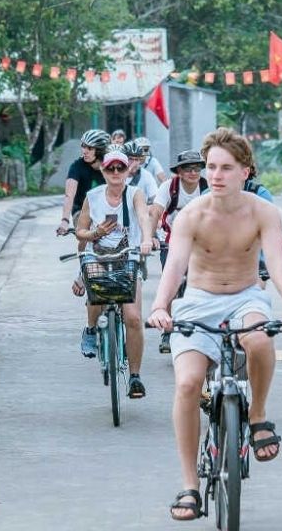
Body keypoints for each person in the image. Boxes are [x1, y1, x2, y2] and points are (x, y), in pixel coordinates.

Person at [147, 127, 282, 522]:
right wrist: (160, 306)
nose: (215, 175)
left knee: (259, 338)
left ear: (245, 171)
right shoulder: (192, 214)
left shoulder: (263, 212)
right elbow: (175, 266)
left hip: (246, 297)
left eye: (226, 168)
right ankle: (189, 486)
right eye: (211, 167)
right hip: (198, 302)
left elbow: (278, 263)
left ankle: (258, 417)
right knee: (187, 384)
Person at [73, 148, 154, 398]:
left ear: (127, 170)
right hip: (98, 256)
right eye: (111, 168)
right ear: (103, 170)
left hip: (128, 257)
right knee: (96, 298)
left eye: (120, 167)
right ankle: (90, 328)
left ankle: (135, 376)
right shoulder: (93, 196)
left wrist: (147, 240)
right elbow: (80, 232)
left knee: (132, 317)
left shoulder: (135, 194)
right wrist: (95, 234)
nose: (116, 172)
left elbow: (143, 216)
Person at [151, 149, 208, 354]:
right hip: (171, 242)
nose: (193, 172)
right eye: (188, 168)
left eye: (197, 168)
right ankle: (167, 331)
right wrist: (149, 237)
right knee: (171, 286)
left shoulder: (207, 188)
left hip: (202, 244)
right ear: (179, 171)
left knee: (205, 286)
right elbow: (155, 211)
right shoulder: (169, 187)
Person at [59, 129, 109, 357]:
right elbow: (69, 195)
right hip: (84, 213)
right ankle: (83, 271)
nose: (85, 151)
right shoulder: (77, 166)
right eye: (84, 147)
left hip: (110, 214)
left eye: (90, 148)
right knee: (85, 230)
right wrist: (64, 219)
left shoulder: (112, 165)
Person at [122, 140, 160, 205]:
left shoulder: (146, 175)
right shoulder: (116, 173)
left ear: (140, 161)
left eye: (136, 159)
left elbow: (155, 198)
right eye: (130, 159)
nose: (134, 163)